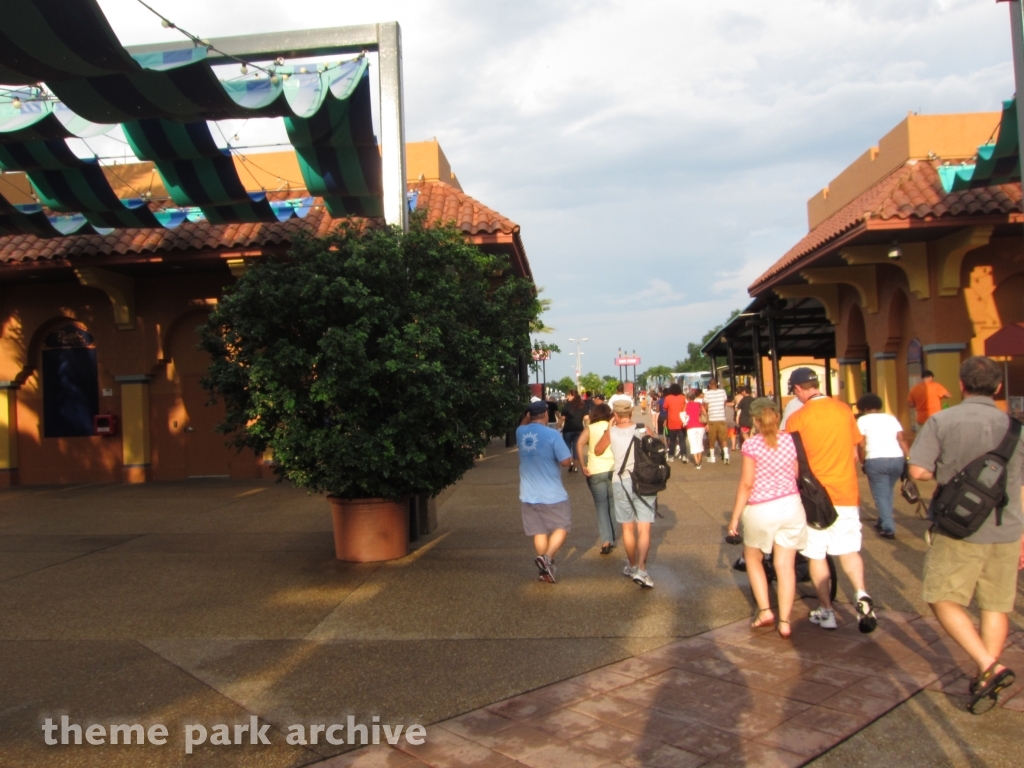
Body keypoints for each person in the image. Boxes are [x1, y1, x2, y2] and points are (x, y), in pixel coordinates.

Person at [909, 356, 1024, 714]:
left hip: (960, 527)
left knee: (940, 595)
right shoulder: (1015, 427)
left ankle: (989, 665)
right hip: (1007, 526)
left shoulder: (943, 420)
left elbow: (918, 470)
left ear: (960, 385)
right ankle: (985, 676)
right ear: (998, 387)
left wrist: (946, 472)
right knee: (995, 604)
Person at [785, 367, 878, 633]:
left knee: (817, 554)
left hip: (816, 498)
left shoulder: (797, 419)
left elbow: (795, 464)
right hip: (846, 492)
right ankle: (861, 594)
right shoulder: (844, 411)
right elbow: (854, 453)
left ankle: (827, 610)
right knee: (849, 550)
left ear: (799, 389)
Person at [727, 397, 807, 638]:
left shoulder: (752, 445)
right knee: (786, 565)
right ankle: (784, 621)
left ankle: (765, 611)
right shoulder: (791, 440)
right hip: (791, 505)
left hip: (762, 507)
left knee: (753, 557)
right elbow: (795, 473)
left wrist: (734, 518)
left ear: (755, 419)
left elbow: (747, 484)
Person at [595, 400, 657, 588]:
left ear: (615, 415)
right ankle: (642, 569)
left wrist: (609, 428)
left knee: (627, 529)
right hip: (644, 481)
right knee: (644, 528)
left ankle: (631, 566)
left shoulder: (611, 432)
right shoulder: (642, 429)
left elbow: (598, 450)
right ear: (631, 413)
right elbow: (653, 451)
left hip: (620, 481)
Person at [517, 400, 573, 583]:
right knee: (562, 526)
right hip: (551, 492)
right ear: (546, 414)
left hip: (528, 493)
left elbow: (523, 424)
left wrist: (527, 417)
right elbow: (566, 461)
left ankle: (544, 571)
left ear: (529, 415)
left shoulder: (520, 432)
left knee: (539, 531)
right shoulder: (552, 434)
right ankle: (547, 558)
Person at [856, 393, 909, 540]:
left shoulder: (862, 420)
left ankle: (888, 527)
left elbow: (861, 444)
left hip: (875, 458)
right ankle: (882, 519)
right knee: (887, 491)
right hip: (897, 458)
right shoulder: (891, 418)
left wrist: (863, 461)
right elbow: (901, 439)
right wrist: (908, 457)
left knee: (880, 494)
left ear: (864, 407)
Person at [578, 403, 616, 554]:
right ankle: (612, 536)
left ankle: (606, 540)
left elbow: (579, 444)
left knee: (601, 506)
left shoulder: (590, 428)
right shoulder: (612, 426)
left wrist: (582, 465)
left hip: (594, 470)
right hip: (612, 469)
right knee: (612, 504)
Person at [558, 390, 586, 473]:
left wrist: (557, 426)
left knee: (567, 448)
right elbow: (586, 418)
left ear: (573, 396)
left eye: (569, 395)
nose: (567, 397)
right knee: (576, 447)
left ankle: (570, 464)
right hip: (579, 429)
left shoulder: (567, 406)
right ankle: (576, 467)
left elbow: (562, 418)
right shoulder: (582, 406)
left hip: (568, 429)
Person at [704, 378, 729, 464]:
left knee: (712, 439)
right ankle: (726, 455)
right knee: (724, 438)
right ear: (716, 384)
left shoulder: (707, 394)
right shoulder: (723, 392)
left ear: (709, 385)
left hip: (712, 419)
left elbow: (706, 407)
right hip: (722, 417)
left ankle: (712, 457)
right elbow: (724, 404)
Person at [662, 383, 688, 463]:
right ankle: (684, 455)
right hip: (681, 422)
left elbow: (664, 409)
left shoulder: (668, 398)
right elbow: (686, 407)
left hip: (672, 422)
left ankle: (671, 456)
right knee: (682, 440)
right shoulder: (683, 397)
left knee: (672, 440)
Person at [684, 389, 707, 469]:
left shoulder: (686, 405)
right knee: (700, 442)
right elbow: (705, 413)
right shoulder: (699, 404)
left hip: (690, 426)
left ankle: (697, 462)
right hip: (700, 426)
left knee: (693, 444)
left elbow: (684, 415)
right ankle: (699, 460)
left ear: (687, 398)